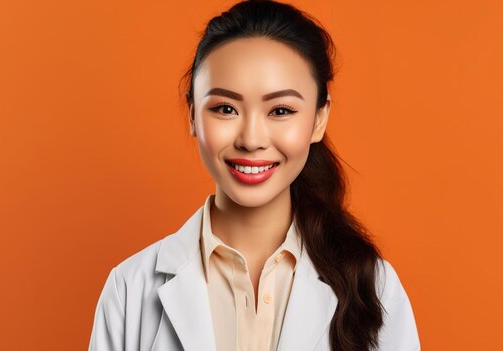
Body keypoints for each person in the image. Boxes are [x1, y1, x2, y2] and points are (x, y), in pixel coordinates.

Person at [88, 0, 420, 350]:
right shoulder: (129, 289)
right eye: (225, 108)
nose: (251, 140)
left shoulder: (374, 287)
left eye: (280, 110)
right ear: (192, 115)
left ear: (319, 119)